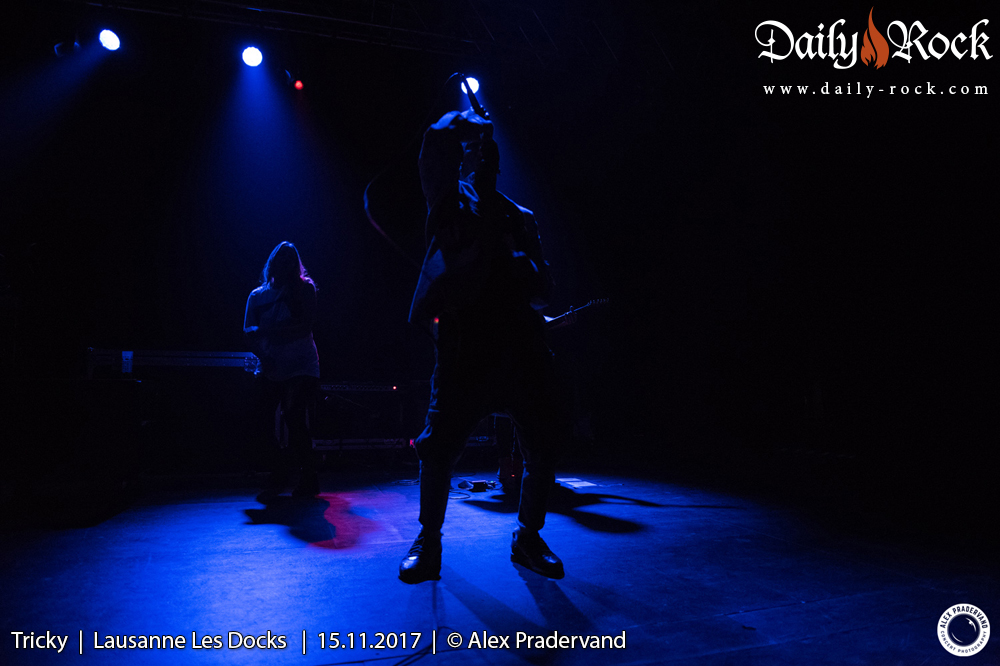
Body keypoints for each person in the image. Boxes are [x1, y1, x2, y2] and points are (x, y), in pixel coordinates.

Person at [399, 109, 571, 583]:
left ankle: (528, 537)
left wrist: (525, 270)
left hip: (519, 348)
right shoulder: (451, 204)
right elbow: (432, 152)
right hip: (466, 349)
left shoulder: (522, 218)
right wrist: (463, 123)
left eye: (491, 155)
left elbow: (545, 291)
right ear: (466, 160)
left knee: (543, 446)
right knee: (438, 448)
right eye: (477, 154)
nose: (485, 160)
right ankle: (428, 540)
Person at [244, 241, 321, 498]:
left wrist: (268, 331)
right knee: (259, 419)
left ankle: (308, 476)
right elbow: (248, 333)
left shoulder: (304, 289)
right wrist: (264, 356)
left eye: (291, 259)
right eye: (282, 259)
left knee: (294, 417)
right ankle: (280, 469)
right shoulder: (257, 296)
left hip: (300, 365)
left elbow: (305, 325)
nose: (286, 264)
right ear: (273, 262)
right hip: (271, 365)